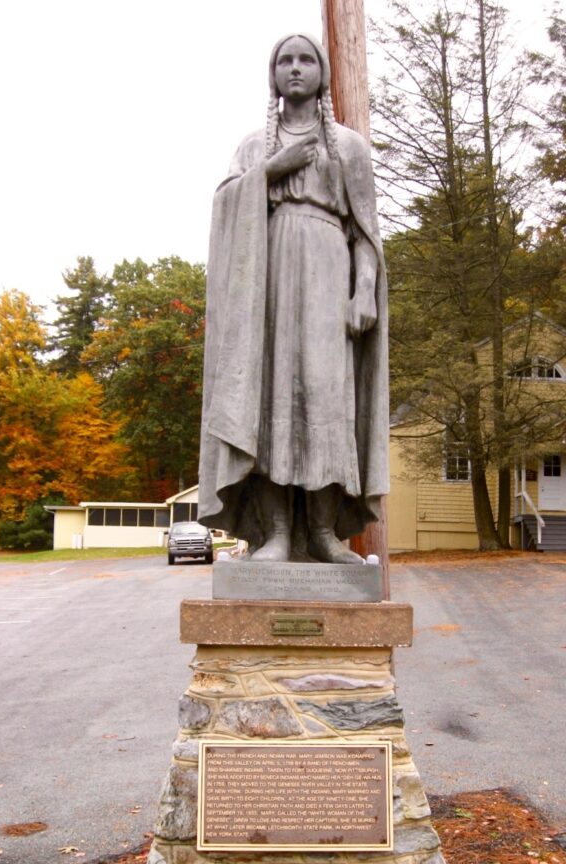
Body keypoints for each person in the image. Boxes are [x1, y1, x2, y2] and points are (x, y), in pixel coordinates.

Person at [198, 33, 388, 563]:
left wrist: (364, 289)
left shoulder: (347, 146)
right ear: (273, 73)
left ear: (323, 73)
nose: (296, 68)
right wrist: (272, 170)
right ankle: (276, 534)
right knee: (270, 397)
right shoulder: (252, 146)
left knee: (327, 399)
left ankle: (325, 534)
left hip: (329, 269)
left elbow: (366, 232)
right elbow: (225, 209)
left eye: (307, 59)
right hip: (267, 281)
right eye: (286, 60)